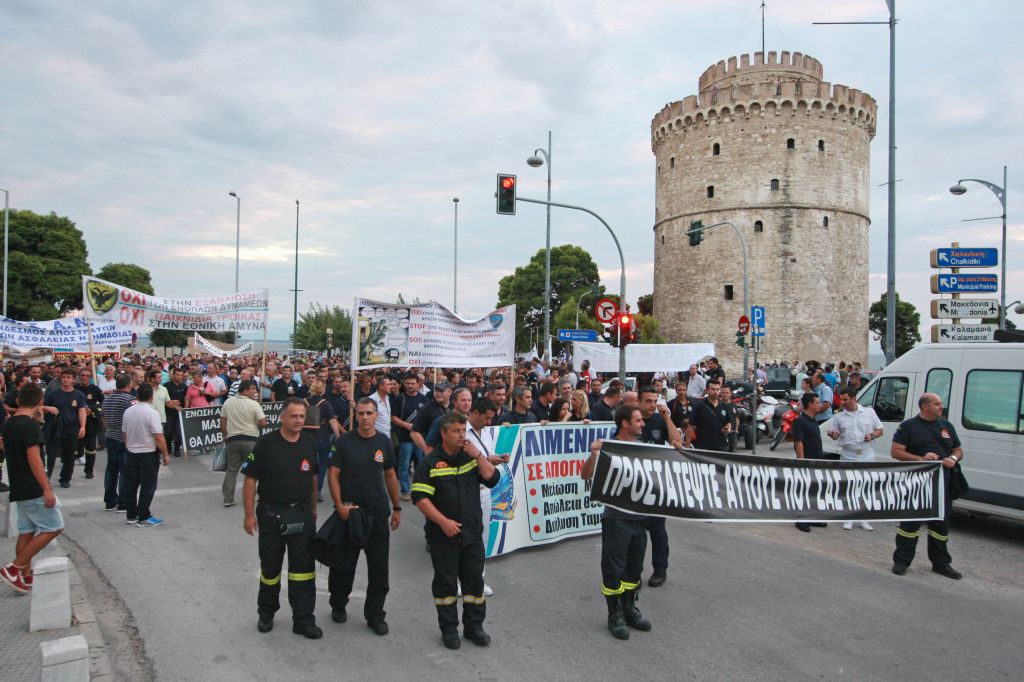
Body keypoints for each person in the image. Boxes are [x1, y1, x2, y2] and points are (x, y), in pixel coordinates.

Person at [411, 412, 500, 650]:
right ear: (443, 433)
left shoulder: (471, 456)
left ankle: (474, 628)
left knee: (474, 584)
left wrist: (479, 455)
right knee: (446, 586)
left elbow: (492, 479)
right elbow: (420, 498)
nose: (462, 435)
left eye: (464, 431)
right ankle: (449, 630)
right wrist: (443, 522)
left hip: (472, 534)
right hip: (444, 536)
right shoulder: (430, 463)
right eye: (456, 431)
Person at [241, 398, 322, 638]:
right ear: (282, 418)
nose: (298, 421)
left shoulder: (309, 443)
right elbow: (249, 480)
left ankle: (304, 619)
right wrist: (248, 515)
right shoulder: (266, 444)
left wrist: (314, 507)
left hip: (303, 514)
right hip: (270, 515)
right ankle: (266, 613)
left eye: (301, 416)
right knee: (270, 568)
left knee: (304, 571)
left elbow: (314, 476)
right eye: (294, 416)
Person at [326, 398, 402, 635]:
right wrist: (339, 506)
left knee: (379, 570)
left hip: (378, 514)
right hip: (351, 513)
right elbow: (333, 475)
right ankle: (338, 605)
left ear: (377, 414)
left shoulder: (384, 442)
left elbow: (390, 475)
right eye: (361, 413)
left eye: (369, 413)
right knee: (343, 567)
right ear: (355, 415)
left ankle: (375, 615)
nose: (365, 417)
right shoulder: (344, 442)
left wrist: (397, 507)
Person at [581, 405, 654, 640]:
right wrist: (593, 455)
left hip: (639, 520)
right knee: (613, 570)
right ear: (625, 423)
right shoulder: (607, 448)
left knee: (635, 568)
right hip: (616, 520)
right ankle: (615, 613)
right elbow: (585, 475)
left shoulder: (643, 448)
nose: (642, 424)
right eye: (638, 420)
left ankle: (630, 608)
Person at [889, 393, 964, 580]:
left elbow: (958, 449)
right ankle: (902, 561)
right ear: (925, 407)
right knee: (910, 524)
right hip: (918, 484)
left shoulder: (946, 426)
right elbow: (896, 451)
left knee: (940, 525)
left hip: (942, 484)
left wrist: (953, 459)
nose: (941, 407)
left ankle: (941, 563)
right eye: (937, 404)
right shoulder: (908, 426)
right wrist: (920, 459)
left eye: (941, 404)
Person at [0, 383, 65, 593]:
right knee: (54, 526)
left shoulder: (9, 424)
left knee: (26, 532)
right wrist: (47, 488)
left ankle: (25, 576)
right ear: (40, 402)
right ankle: (14, 567)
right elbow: (35, 459)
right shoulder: (30, 427)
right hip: (33, 485)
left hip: (18, 484)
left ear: (18, 401)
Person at [637, 386, 682, 587]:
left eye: (655, 401)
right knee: (635, 533)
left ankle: (660, 569)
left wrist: (666, 418)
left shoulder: (659, 419)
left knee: (658, 530)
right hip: (634, 485)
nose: (652, 405)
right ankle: (633, 572)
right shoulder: (631, 419)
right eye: (648, 401)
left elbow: (676, 441)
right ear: (639, 401)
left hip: (656, 485)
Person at [828, 387, 883, 531]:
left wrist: (872, 435)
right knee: (850, 486)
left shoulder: (869, 412)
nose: (843, 402)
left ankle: (863, 518)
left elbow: (880, 429)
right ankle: (849, 517)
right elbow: (836, 436)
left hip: (866, 453)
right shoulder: (839, 416)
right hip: (848, 453)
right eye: (842, 399)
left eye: (845, 399)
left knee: (866, 486)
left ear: (854, 398)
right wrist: (832, 434)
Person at [121, 383, 171, 527]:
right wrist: (165, 454)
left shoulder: (128, 411)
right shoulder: (152, 413)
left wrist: (129, 446)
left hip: (131, 452)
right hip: (147, 453)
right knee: (148, 486)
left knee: (131, 485)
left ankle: (131, 515)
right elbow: (159, 437)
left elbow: (125, 434)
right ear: (151, 396)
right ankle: (143, 515)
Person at [789, 393, 833, 533]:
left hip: (816, 460)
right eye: (817, 403)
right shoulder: (801, 421)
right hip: (807, 461)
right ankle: (801, 520)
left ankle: (812, 516)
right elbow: (798, 442)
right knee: (805, 490)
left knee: (814, 490)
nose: (819, 405)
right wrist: (802, 460)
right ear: (810, 405)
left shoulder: (813, 420)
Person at [221, 380, 268, 507]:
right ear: (244, 390)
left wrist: (225, 435)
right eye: (252, 389)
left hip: (232, 440)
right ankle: (258, 495)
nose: (255, 391)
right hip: (250, 441)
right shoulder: (254, 404)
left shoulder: (228, 402)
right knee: (255, 470)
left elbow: (223, 422)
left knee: (232, 470)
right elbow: (263, 423)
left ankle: (228, 498)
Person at [42, 369, 87, 488]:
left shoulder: (79, 395)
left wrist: (82, 426)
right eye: (64, 377)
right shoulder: (52, 394)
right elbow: (41, 406)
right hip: (54, 427)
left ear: (73, 379)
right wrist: (48, 408)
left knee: (69, 455)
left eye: (68, 377)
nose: (65, 379)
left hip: (71, 427)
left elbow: (81, 411)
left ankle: (65, 478)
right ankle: (46, 479)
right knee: (51, 455)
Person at [390, 373, 428, 500]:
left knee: (422, 465)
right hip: (405, 438)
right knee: (404, 465)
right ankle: (405, 491)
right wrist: (406, 425)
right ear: (404, 384)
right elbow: (393, 418)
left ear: (418, 384)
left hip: (420, 438)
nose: (410, 386)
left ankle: (420, 490)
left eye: (413, 383)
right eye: (408, 383)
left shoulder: (424, 399)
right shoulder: (400, 399)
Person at [101, 375, 135, 512]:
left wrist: (109, 428)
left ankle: (109, 501)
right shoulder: (130, 399)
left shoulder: (107, 399)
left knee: (111, 470)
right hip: (123, 439)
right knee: (125, 472)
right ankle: (123, 502)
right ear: (129, 384)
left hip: (110, 436)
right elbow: (133, 419)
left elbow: (103, 417)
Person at [684, 380, 730, 452]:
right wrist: (686, 448)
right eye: (713, 389)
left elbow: (728, 421)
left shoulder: (724, 406)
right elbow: (690, 427)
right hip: (703, 448)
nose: (715, 392)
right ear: (707, 390)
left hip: (721, 447)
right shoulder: (699, 406)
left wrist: (728, 427)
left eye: (717, 389)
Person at [74, 368, 104, 479]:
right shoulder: (74, 388)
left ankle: (89, 470)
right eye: (82, 375)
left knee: (91, 449)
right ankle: (68, 471)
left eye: (87, 376)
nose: (84, 377)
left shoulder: (95, 389)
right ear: (79, 376)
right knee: (75, 448)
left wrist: (92, 409)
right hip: (76, 423)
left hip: (91, 423)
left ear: (90, 377)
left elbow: (103, 403)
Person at [163, 367, 187, 456]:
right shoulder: (166, 386)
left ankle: (177, 449)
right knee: (168, 431)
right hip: (169, 412)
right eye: (177, 374)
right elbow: (165, 399)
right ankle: (168, 447)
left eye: (181, 375)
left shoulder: (184, 386)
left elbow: (186, 399)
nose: (179, 377)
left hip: (179, 412)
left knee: (178, 431)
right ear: (173, 375)